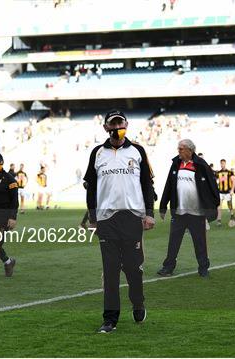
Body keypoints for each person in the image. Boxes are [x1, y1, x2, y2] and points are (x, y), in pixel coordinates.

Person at [84, 109, 155, 334]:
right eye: (112, 124)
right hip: (107, 220)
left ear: (127, 125)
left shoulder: (138, 151)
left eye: (120, 123)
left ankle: (138, 302)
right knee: (111, 270)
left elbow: (147, 185)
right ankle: (110, 319)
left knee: (133, 268)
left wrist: (149, 213)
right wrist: (93, 217)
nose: (116, 128)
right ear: (105, 127)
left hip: (132, 217)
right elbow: (91, 188)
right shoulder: (97, 153)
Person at [157, 139, 219, 278]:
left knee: (200, 243)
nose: (178, 151)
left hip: (197, 213)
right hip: (179, 212)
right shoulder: (176, 164)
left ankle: (203, 268)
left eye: (181, 149)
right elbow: (169, 185)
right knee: (173, 242)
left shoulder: (201, 165)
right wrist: (163, 206)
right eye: (178, 149)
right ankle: (168, 267)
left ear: (190, 150)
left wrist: (213, 206)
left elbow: (212, 186)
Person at [215, 159, 235, 227]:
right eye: (221, 163)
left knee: (229, 205)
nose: (222, 165)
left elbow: (233, 182)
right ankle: (219, 220)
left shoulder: (230, 172)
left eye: (223, 163)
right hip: (220, 192)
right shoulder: (218, 173)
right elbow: (215, 182)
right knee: (219, 206)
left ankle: (232, 215)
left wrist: (232, 190)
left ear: (225, 164)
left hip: (228, 192)